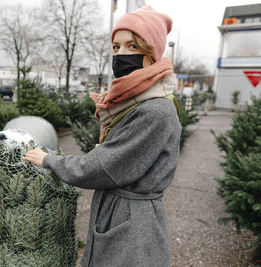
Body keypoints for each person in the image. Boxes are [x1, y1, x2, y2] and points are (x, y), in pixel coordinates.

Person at [23, 6, 181, 267]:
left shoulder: (155, 110)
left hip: (132, 225)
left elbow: (102, 166)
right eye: (116, 47)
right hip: (121, 213)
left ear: (151, 54)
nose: (120, 55)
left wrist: (49, 160)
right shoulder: (134, 102)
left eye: (132, 46)